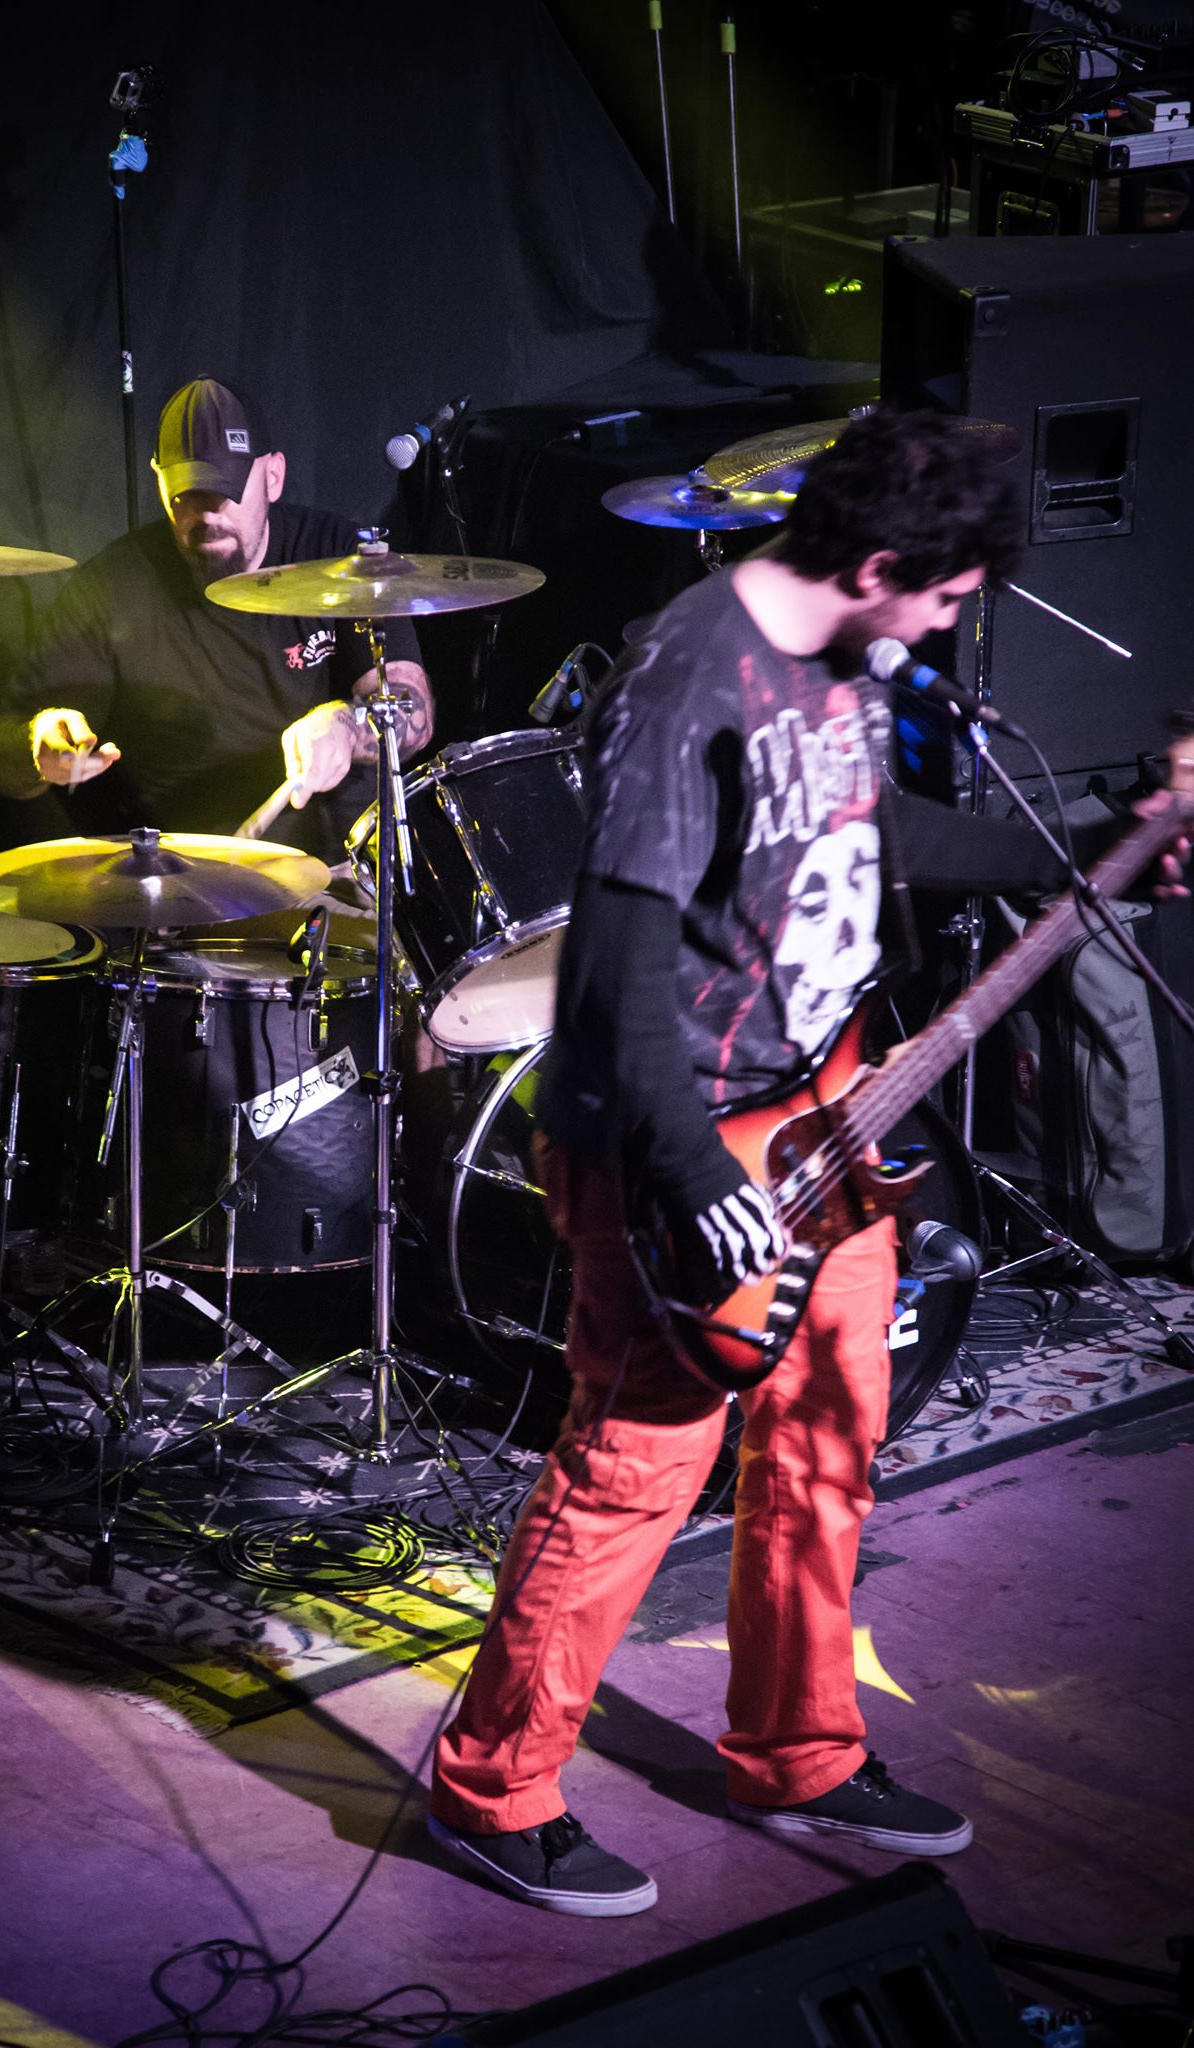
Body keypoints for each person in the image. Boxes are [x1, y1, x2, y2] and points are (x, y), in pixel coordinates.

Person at [426, 406, 1186, 1917]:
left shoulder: (840, 661)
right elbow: (613, 964)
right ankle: (489, 1788)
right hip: (677, 1137)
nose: (949, 625)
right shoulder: (685, 675)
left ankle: (799, 1752)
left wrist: (1100, 837)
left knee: (831, 1437)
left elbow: (876, 827)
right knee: (632, 1470)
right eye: (946, 596)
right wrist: (684, 1170)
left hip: (825, 1113)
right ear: (881, 563)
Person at [0, 378, 434, 868]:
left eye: (224, 491)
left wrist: (348, 724)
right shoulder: (112, 584)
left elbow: (416, 711)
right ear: (160, 481)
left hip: (332, 867)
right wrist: (39, 743)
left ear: (273, 476)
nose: (206, 512)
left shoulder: (340, 558)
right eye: (186, 493)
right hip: (176, 877)